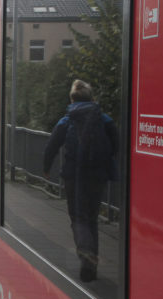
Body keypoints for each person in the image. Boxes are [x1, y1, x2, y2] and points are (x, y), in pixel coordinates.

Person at [43, 79, 117, 283]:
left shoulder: (67, 120)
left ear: (72, 98)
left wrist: (46, 168)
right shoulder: (105, 119)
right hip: (97, 177)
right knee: (91, 218)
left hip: (73, 176)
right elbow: (116, 145)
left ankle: (87, 259)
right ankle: (91, 264)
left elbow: (51, 146)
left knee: (78, 218)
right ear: (91, 98)